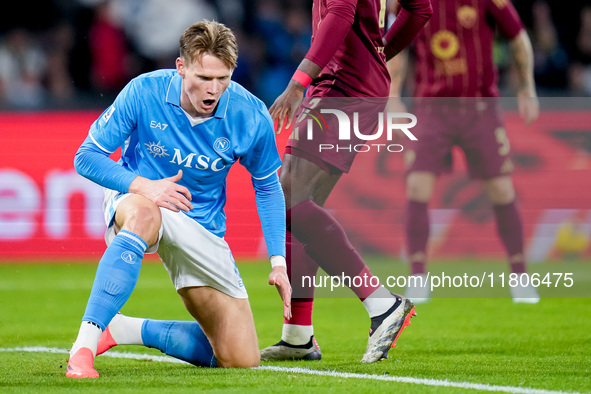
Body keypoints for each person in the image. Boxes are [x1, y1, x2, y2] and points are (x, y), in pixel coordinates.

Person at [66, 20, 291, 378]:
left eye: (223, 79)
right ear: (181, 66)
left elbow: (267, 186)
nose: (213, 89)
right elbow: (87, 156)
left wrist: (278, 261)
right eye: (203, 77)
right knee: (144, 215)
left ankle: (124, 329)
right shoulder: (144, 91)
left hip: (200, 224)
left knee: (240, 358)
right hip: (138, 197)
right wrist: (144, 186)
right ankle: (83, 347)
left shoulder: (250, 115)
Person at [260, 0, 432, 363]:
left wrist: (297, 83)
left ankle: (382, 304)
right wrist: (378, 51)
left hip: (342, 85)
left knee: (287, 197)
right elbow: (420, 9)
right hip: (353, 82)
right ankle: (297, 336)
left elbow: (340, 13)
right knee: (300, 207)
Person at [387, 0, 541, 303]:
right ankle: (417, 276)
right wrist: (392, 94)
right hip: (432, 107)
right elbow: (396, 43)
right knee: (417, 185)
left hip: (480, 107)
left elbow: (518, 35)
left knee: (501, 189)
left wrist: (527, 86)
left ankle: (520, 275)